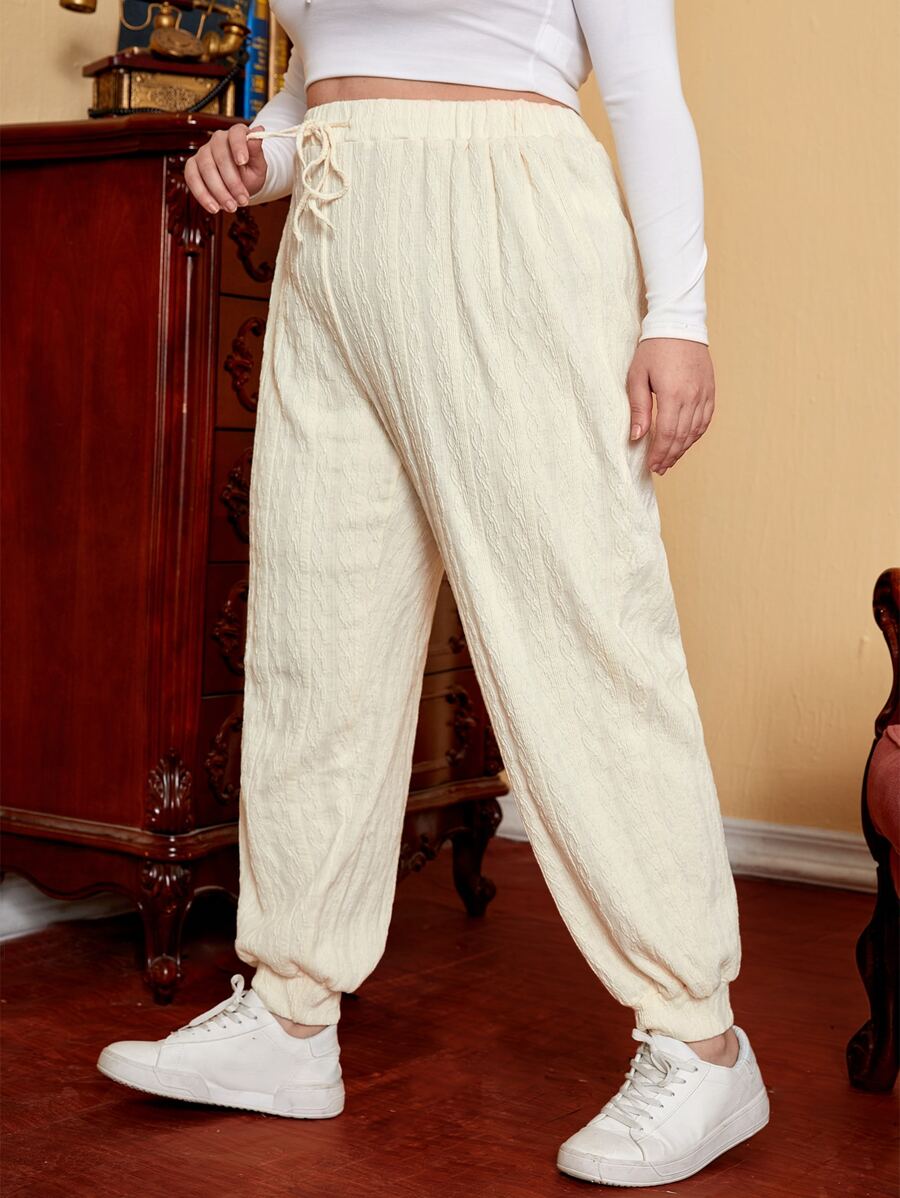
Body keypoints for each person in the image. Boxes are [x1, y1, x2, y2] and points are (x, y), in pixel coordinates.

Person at [97, 0, 770, 1186]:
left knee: (580, 636)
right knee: (317, 636)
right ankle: (291, 1011)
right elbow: (330, 82)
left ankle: (700, 1038)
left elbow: (643, 91)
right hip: (334, 243)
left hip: (509, 226)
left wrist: (679, 315)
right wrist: (260, 153)